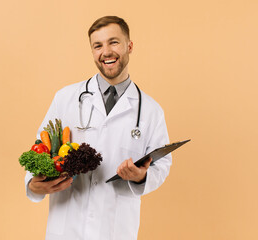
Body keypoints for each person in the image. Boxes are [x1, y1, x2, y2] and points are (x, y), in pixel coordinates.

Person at [24, 16, 172, 240]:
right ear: (92, 51)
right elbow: (41, 147)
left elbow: (161, 166)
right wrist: (33, 184)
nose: (106, 52)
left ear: (129, 46)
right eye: (98, 45)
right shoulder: (66, 98)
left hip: (115, 229)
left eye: (114, 42)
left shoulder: (151, 111)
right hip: (66, 229)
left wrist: (141, 177)